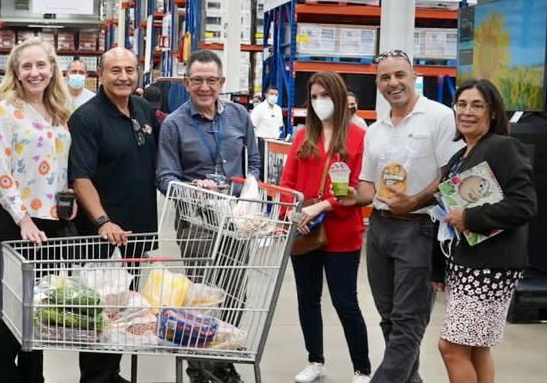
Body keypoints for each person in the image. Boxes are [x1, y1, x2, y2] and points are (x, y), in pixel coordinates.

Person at [340, 50, 461, 383]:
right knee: (390, 319)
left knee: (409, 321)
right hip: (379, 229)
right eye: (385, 77)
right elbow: (368, 187)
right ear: (377, 84)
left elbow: (452, 175)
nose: (393, 83)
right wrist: (350, 196)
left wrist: (415, 201)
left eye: (399, 75)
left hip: (420, 228)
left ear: (413, 77)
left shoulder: (439, 117)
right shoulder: (376, 130)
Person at [156, 49, 261, 383]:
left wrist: (249, 192)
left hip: (235, 221)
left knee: (234, 294)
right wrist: (193, 189)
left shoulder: (239, 116)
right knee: (202, 296)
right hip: (197, 224)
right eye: (197, 80)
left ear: (222, 82)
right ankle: (199, 369)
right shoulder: (174, 124)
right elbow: (165, 178)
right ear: (186, 83)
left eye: (211, 80)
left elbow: (254, 161)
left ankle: (223, 360)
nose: (205, 87)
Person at [69, 47, 159, 383]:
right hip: (102, 234)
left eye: (129, 70)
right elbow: (80, 178)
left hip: (137, 230)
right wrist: (103, 221)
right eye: (115, 70)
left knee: (126, 306)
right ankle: (95, 377)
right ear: (101, 75)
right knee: (100, 308)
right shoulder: (87, 118)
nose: (123, 77)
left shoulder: (143, 110)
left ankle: (112, 372)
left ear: (138, 73)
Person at [436, 80, 537, 383]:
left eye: (477, 105)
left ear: (492, 112)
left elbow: (524, 205)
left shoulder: (503, 147)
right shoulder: (459, 157)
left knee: (451, 347)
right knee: (476, 348)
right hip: (465, 263)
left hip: (490, 266)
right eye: (462, 104)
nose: (467, 111)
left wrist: (470, 217)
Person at [0, 36, 74, 383]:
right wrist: (22, 218)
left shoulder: (61, 112)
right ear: (16, 72)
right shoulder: (5, 111)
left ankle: (32, 377)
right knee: (11, 308)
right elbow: (0, 172)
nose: (35, 72)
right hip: (16, 222)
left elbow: (61, 166)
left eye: (41, 65)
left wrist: (68, 200)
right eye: (27, 66)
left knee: (39, 309)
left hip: (52, 223)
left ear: (52, 69)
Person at [279, 72, 370, 383]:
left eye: (325, 96)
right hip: (304, 232)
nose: (319, 102)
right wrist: (293, 215)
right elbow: (288, 183)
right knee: (308, 299)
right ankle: (315, 360)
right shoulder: (303, 137)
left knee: (345, 301)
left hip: (342, 233)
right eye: (314, 97)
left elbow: (356, 186)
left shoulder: (358, 137)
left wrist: (321, 206)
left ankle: (362, 368)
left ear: (340, 97)